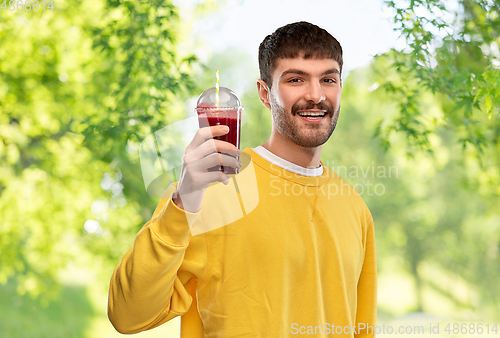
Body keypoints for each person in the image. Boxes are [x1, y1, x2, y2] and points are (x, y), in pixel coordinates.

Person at [108, 21, 377, 337]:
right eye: (296, 79)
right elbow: (128, 316)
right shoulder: (210, 191)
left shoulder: (354, 208)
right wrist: (183, 200)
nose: (316, 95)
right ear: (265, 93)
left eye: (328, 79)